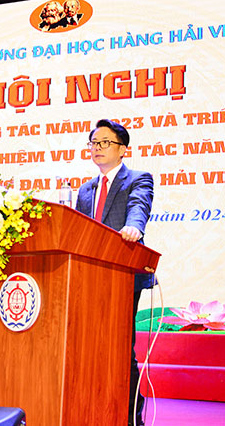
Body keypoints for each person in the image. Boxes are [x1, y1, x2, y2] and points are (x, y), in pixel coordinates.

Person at [75, 119, 154, 426]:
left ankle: (131, 416)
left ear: (123, 149)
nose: (98, 148)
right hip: (88, 279)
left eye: (105, 142)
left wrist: (134, 227)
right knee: (89, 348)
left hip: (122, 276)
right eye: (94, 143)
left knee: (120, 350)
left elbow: (139, 207)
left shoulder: (138, 178)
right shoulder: (85, 189)